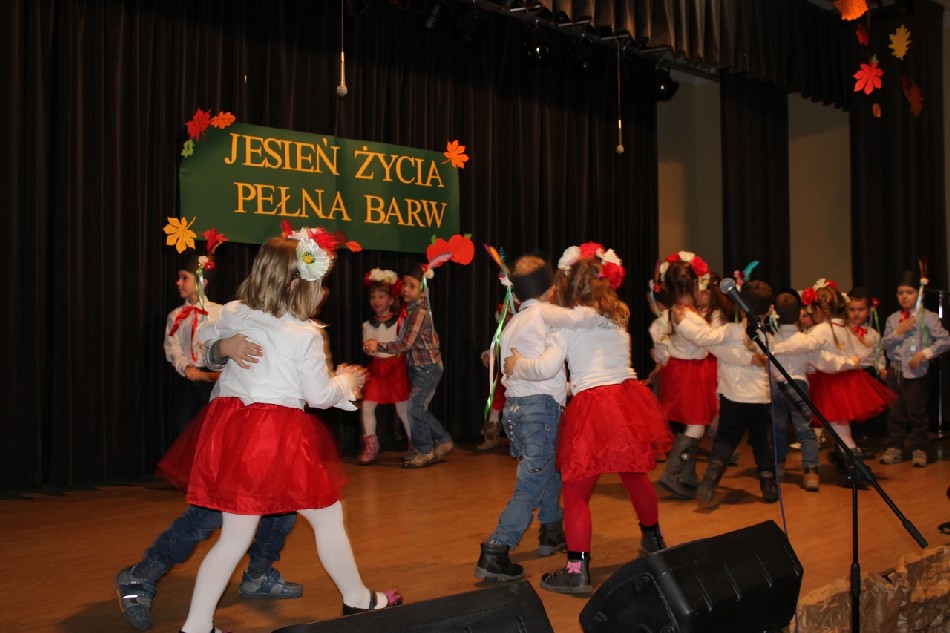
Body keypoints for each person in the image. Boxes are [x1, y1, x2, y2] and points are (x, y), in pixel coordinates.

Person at [179, 230, 400, 633]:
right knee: (326, 517)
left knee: (237, 536)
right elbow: (318, 396)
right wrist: (347, 382)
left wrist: (221, 349)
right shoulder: (304, 334)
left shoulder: (233, 312)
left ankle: (196, 626)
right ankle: (356, 598)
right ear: (296, 283)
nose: (321, 292)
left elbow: (202, 347)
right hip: (274, 437)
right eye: (318, 284)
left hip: (232, 431)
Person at [504, 243, 672, 594]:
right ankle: (654, 541)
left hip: (594, 408)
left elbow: (546, 366)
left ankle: (577, 570)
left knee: (576, 491)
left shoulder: (565, 325)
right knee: (635, 475)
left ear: (567, 286)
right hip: (626, 402)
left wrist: (517, 365)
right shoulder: (616, 319)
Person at [116, 335, 301, 632]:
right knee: (210, 513)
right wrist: (223, 347)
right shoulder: (243, 315)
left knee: (283, 507)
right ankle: (141, 574)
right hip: (238, 427)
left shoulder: (301, 327)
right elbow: (207, 352)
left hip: (277, 428)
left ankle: (258, 574)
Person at [474, 254, 568, 583]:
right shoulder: (548, 316)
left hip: (515, 410)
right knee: (530, 485)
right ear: (551, 290)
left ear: (516, 294)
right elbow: (548, 366)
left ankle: (551, 531)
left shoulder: (513, 322)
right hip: (539, 409)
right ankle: (496, 550)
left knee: (548, 468)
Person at [671, 280, 777, 505]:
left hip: (733, 397)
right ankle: (768, 484)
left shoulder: (731, 330)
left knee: (726, 439)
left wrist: (681, 322)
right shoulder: (768, 336)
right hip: (759, 398)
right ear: (769, 310)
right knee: (761, 441)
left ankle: (712, 476)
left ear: (741, 307)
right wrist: (749, 359)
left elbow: (707, 341)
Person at [795, 281, 896, 473]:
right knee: (842, 430)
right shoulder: (845, 327)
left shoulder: (822, 330)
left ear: (818, 310)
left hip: (833, 384)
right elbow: (862, 352)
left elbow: (811, 351)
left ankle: (856, 469)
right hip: (847, 381)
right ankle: (851, 464)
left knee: (841, 432)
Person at [364, 263, 454, 469]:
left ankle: (425, 450)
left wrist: (379, 345)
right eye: (405, 284)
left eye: (412, 286)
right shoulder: (411, 310)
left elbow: (405, 344)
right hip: (419, 367)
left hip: (427, 367)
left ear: (423, 291)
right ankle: (443, 440)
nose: (405, 289)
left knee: (414, 408)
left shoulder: (419, 311)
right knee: (418, 408)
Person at [654, 255, 719, 499]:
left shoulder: (680, 311)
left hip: (688, 370)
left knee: (696, 425)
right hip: (690, 373)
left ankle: (687, 472)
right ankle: (672, 473)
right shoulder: (685, 315)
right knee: (696, 424)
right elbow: (705, 339)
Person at [880, 269, 950, 468]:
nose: (904, 296)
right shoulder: (893, 319)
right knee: (895, 413)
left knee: (916, 412)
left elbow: (945, 341)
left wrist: (924, 353)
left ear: (919, 295)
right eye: (900, 293)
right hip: (896, 372)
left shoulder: (929, 317)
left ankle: (920, 448)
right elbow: (884, 344)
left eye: (909, 292)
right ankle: (895, 447)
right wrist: (898, 332)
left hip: (916, 374)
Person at [164, 253, 222, 442]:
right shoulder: (176, 315)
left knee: (209, 433)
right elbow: (172, 347)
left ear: (201, 283)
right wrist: (186, 367)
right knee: (184, 434)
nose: (178, 283)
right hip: (186, 381)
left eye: (184, 278)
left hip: (212, 381)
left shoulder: (219, 312)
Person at [358, 268, 411, 464]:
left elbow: (404, 344)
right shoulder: (368, 324)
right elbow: (367, 349)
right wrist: (368, 349)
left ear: (391, 300)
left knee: (403, 408)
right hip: (377, 368)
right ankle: (371, 445)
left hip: (396, 368)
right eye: (373, 296)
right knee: (367, 405)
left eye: (381, 296)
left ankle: (415, 442)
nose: (376, 300)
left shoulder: (400, 321)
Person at [846, 287, 887, 458]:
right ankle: (851, 441)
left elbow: (878, 354)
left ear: (868, 311)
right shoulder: (844, 331)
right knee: (851, 410)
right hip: (850, 373)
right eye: (852, 309)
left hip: (867, 373)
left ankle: (862, 439)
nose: (856, 314)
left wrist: (881, 368)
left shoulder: (873, 334)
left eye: (861, 309)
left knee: (866, 410)